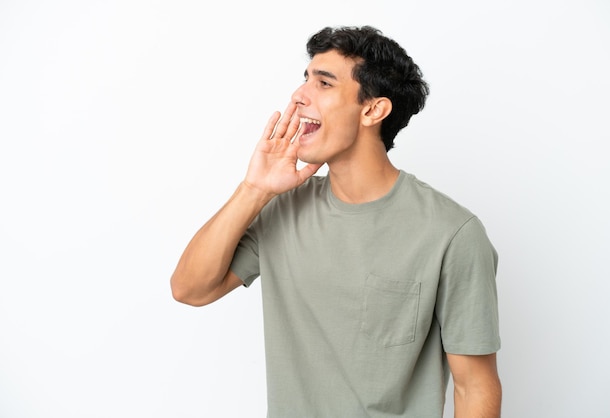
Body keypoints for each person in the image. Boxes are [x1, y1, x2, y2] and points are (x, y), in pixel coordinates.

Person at [170, 25, 502, 418]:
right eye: (305, 79)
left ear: (373, 110)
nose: (299, 95)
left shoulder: (452, 233)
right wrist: (254, 189)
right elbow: (190, 289)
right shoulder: (282, 208)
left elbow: (474, 386)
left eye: (324, 83)